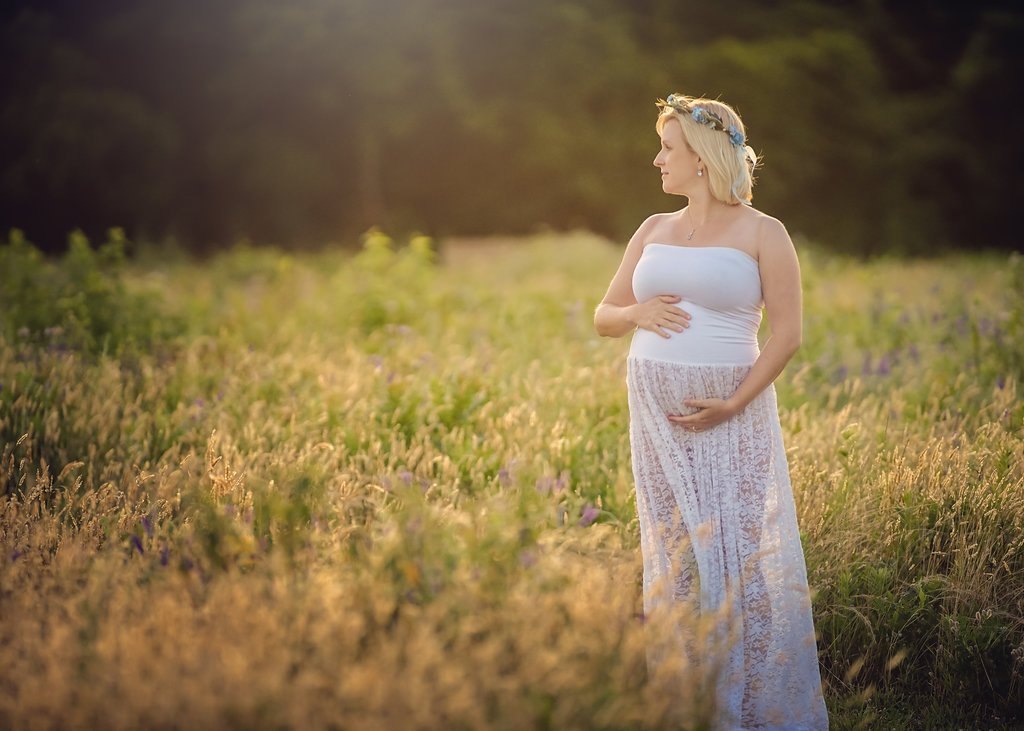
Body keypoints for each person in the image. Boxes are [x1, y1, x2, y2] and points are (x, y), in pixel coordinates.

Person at [594, 94, 829, 730]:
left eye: (668, 148)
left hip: (735, 414)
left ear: (701, 158)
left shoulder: (764, 232)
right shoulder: (652, 229)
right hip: (655, 421)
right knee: (672, 557)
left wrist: (732, 403)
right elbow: (603, 316)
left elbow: (786, 335)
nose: (657, 159)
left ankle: (750, 706)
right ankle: (685, 702)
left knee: (737, 555)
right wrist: (637, 314)